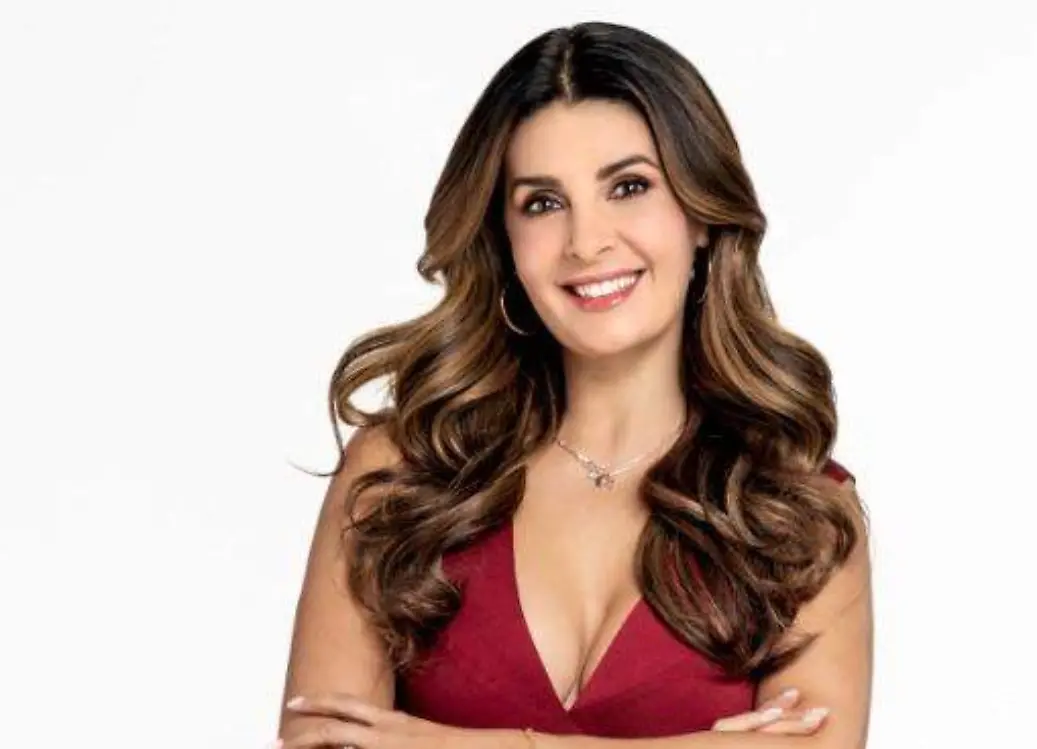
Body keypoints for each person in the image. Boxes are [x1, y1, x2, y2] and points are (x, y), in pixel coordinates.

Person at [275, 20, 873, 749]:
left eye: (630, 187)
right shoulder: (401, 475)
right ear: (504, 238)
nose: (587, 242)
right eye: (543, 202)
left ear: (702, 215)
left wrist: (457, 743)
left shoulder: (797, 512)